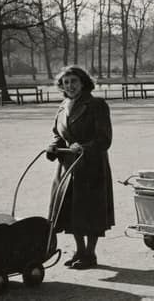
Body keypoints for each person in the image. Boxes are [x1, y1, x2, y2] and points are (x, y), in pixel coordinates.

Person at [46, 65, 115, 270]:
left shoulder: (96, 105)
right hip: (67, 166)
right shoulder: (62, 106)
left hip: (91, 165)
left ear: (83, 82)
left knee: (91, 211)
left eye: (74, 81)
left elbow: (104, 139)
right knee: (70, 211)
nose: (70, 86)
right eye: (66, 82)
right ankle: (79, 250)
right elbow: (57, 134)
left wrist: (83, 147)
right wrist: (53, 146)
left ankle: (90, 253)